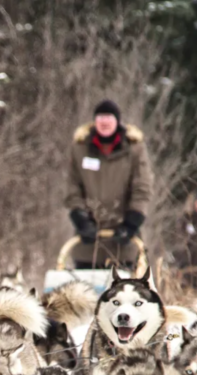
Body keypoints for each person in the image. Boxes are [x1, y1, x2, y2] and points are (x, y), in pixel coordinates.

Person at [65, 99, 153, 270]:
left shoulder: (134, 149)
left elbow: (142, 188)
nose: (104, 122)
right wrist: (81, 220)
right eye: (100, 117)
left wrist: (131, 223)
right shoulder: (80, 149)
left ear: (117, 121)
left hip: (124, 243)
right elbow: (72, 186)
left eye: (109, 117)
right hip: (88, 243)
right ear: (94, 121)